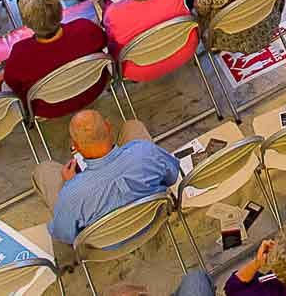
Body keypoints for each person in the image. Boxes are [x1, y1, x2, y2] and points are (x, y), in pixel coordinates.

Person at [39, 110, 181, 259]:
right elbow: (172, 175)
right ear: (107, 126)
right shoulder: (144, 150)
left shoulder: (71, 194)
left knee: (44, 171)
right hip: (153, 219)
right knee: (133, 127)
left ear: (76, 147)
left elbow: (64, 235)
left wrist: (70, 185)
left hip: (104, 248)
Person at [4, 0, 112, 119]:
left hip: (49, 108)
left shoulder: (19, 54)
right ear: (61, 12)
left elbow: (13, 84)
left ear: (26, 24)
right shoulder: (85, 28)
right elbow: (105, 42)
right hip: (94, 88)